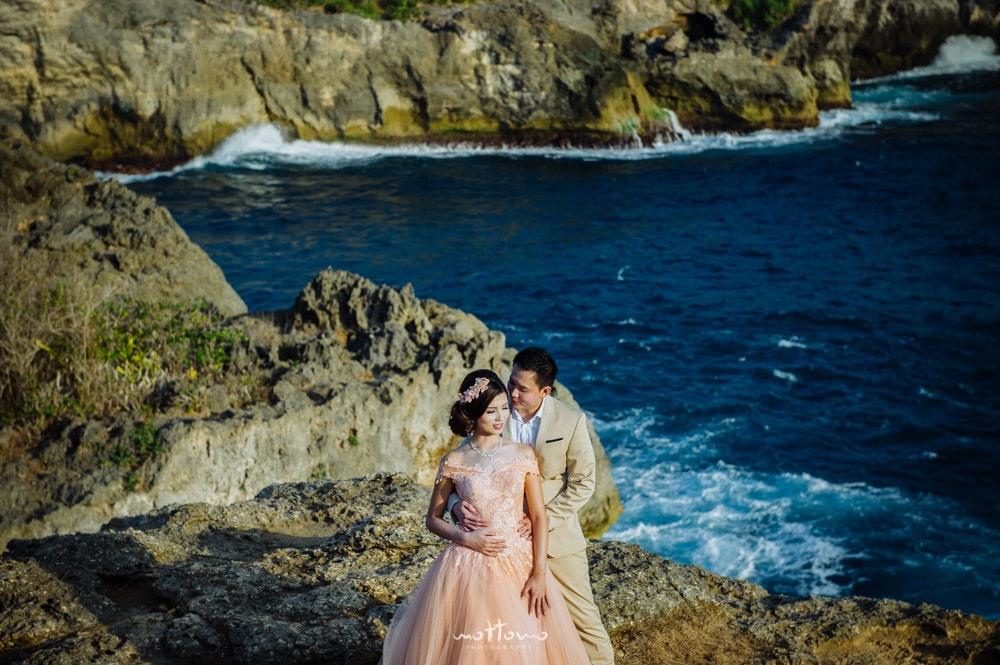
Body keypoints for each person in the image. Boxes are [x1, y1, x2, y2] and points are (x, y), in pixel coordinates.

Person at [381, 369, 590, 664]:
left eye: (504, 408)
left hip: (518, 561)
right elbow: (432, 519)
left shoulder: (522, 454)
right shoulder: (454, 461)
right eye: (491, 411)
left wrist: (540, 573)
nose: (500, 417)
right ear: (473, 414)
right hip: (467, 565)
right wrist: (465, 537)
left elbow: (540, 518)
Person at [451, 349, 615, 665]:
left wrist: (543, 519)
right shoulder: (495, 412)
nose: (512, 393)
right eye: (511, 383)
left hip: (556, 541)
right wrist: (457, 506)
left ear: (545, 391)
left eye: (522, 388)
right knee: (505, 626)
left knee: (585, 624)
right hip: (502, 546)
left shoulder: (571, 420)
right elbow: (463, 467)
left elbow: (583, 482)